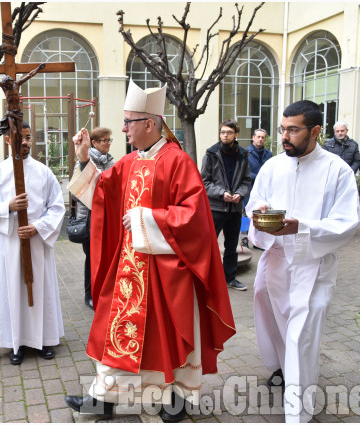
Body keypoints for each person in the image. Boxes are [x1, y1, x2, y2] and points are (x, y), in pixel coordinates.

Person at [65, 80, 235, 422]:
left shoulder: (178, 161)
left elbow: (195, 217)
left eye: (129, 122)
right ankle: (105, 398)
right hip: (128, 266)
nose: (124, 128)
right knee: (111, 329)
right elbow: (103, 194)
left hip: (167, 270)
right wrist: (85, 159)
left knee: (167, 338)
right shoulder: (129, 162)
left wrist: (148, 218)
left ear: (149, 124)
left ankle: (175, 400)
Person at [246, 100, 360, 422]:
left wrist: (304, 227)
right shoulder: (273, 166)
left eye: (293, 130)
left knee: (301, 336)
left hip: (312, 263)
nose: (285, 136)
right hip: (276, 258)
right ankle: (282, 367)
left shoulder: (336, 169)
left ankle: (299, 410)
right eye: (283, 129)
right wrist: (259, 215)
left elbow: (347, 221)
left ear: (315, 131)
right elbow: (255, 202)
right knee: (272, 321)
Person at [0, 121, 65, 365]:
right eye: (20, 138)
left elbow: (57, 206)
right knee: (12, 289)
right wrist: (8, 206)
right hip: (10, 242)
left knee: (40, 288)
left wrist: (39, 227)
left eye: (28, 137)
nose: (25, 142)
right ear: (7, 140)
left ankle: (44, 340)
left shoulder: (43, 172)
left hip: (36, 241)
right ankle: (16, 343)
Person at [201, 119, 252, 291]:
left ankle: (230, 278)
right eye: (222, 132)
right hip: (216, 207)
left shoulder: (243, 155)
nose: (224, 135)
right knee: (208, 245)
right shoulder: (211, 154)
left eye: (229, 132)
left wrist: (240, 194)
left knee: (232, 245)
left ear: (236, 134)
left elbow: (246, 180)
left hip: (235, 208)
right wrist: (222, 193)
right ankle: (206, 279)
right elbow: (204, 181)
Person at [73, 126, 115, 310]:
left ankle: (104, 292)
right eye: (105, 140)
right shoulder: (83, 161)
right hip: (90, 218)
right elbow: (76, 193)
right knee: (91, 257)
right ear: (95, 143)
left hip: (108, 217)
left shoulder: (112, 162)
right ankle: (89, 294)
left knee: (105, 255)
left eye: (109, 140)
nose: (108, 144)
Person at [241, 129, 272, 248]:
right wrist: (260, 177)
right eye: (258, 137)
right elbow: (244, 171)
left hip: (263, 190)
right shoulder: (245, 153)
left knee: (260, 214)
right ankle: (244, 239)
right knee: (245, 214)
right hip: (248, 188)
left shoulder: (268, 154)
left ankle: (258, 241)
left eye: (263, 137)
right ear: (253, 138)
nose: (260, 139)